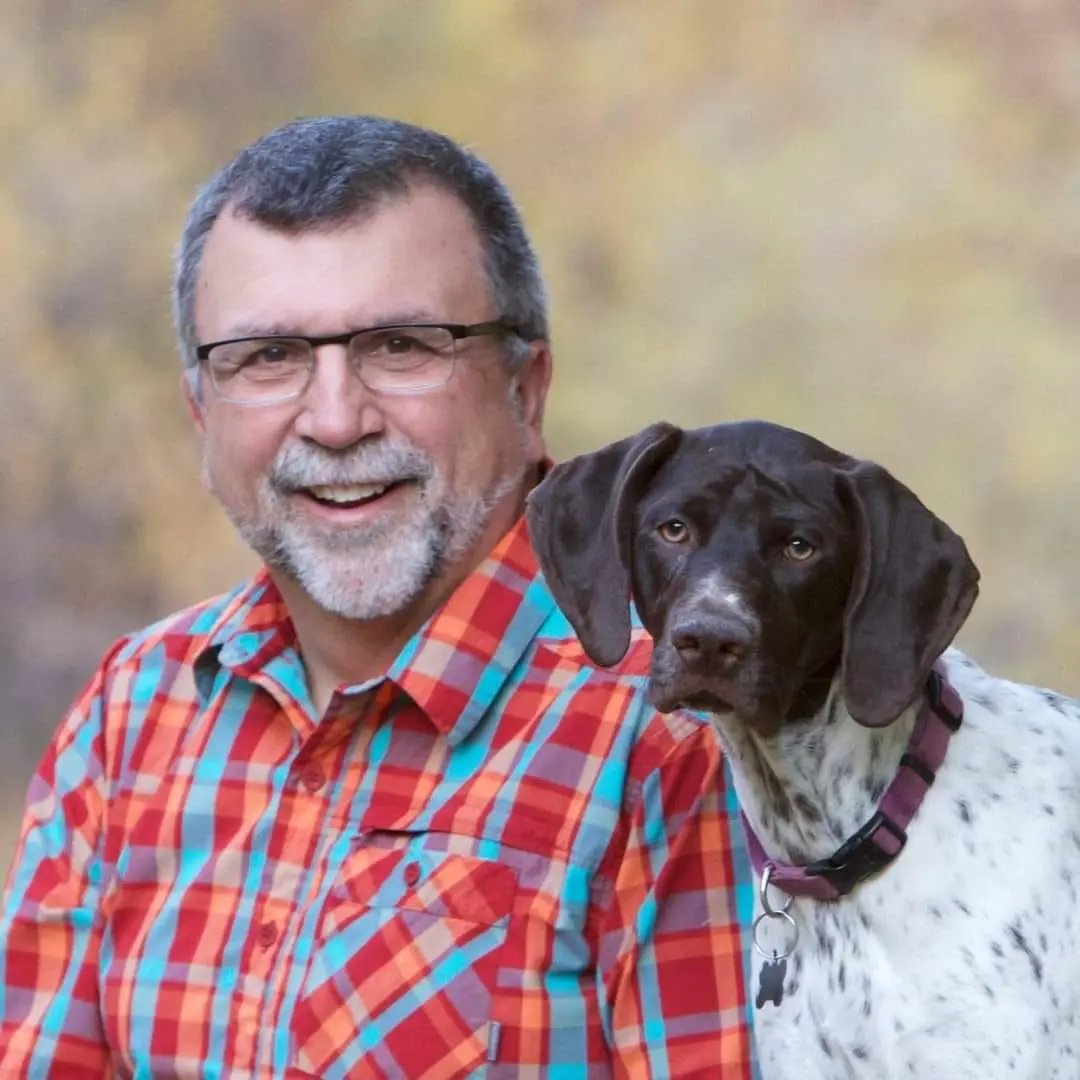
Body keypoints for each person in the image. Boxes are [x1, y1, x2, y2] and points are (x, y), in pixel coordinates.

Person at [0, 115, 757, 1078]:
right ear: (201, 411)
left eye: (401, 345)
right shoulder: (135, 712)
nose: (334, 419)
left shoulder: (679, 732)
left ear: (527, 391)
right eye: (267, 358)